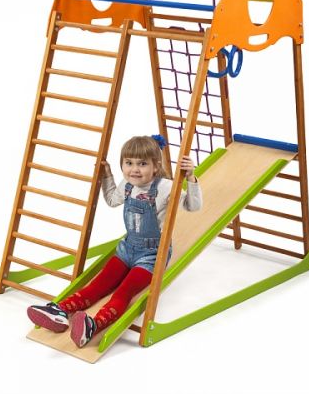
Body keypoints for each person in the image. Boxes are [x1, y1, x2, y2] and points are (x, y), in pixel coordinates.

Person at [27, 135, 202, 348]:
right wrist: (107, 175)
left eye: (142, 164)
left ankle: (93, 326)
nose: (134, 169)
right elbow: (111, 200)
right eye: (129, 163)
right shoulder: (127, 185)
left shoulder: (165, 187)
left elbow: (193, 206)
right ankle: (60, 311)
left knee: (123, 292)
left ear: (156, 166)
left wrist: (191, 178)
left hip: (151, 255)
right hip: (127, 249)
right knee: (99, 284)